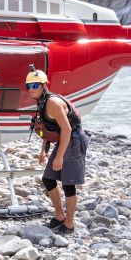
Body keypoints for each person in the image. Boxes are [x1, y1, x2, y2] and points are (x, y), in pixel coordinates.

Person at [26, 67, 89, 234]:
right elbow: (47, 127)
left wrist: (59, 156)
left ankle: (69, 224)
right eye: (29, 86)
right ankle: (60, 215)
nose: (31, 89)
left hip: (74, 139)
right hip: (64, 139)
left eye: (35, 85)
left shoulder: (52, 102)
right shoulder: (41, 101)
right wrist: (43, 151)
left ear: (44, 85)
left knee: (68, 183)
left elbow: (67, 129)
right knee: (48, 179)